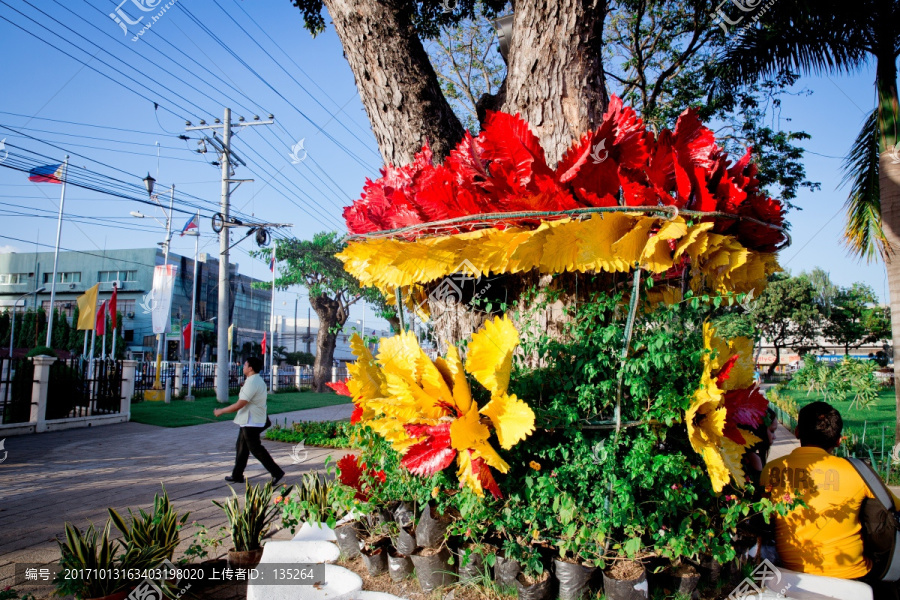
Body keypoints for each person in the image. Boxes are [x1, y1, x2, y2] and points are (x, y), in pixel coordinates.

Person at [761, 401, 900, 587]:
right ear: (838, 440)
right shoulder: (856, 472)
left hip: (791, 578)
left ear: (797, 432)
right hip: (854, 577)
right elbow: (893, 507)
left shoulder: (772, 470)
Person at [214, 356, 285, 485]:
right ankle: (237, 475)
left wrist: (221, 411)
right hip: (250, 420)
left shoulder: (252, 382)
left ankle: (277, 472)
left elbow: (239, 404)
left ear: (250, 368)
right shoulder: (254, 380)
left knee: (256, 448)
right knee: (241, 447)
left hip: (251, 421)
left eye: (245, 365)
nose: (243, 367)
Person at [744, 407, 778, 489]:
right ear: (760, 431)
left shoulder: (751, 455)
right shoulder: (753, 458)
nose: (774, 437)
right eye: (772, 431)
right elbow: (760, 492)